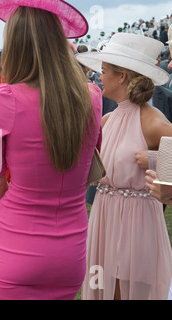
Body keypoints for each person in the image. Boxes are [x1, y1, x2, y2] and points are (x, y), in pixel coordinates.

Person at [0, 0, 101, 300]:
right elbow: (88, 168)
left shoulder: (2, 99)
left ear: (16, 44)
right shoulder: (92, 96)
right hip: (71, 251)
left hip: (16, 246)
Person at [76, 32, 172, 299]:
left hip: (136, 221)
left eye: (104, 71)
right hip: (104, 216)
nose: (98, 77)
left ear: (122, 76)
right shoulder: (107, 119)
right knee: (102, 288)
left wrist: (154, 160)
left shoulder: (152, 121)